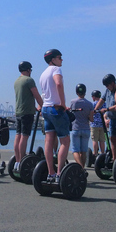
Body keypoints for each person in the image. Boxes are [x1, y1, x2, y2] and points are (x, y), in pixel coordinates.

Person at [39, 48, 69, 182]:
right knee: (65, 141)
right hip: (56, 109)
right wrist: (63, 103)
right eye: (59, 57)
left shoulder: (42, 74)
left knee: (49, 141)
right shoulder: (56, 70)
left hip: (45, 109)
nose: (62, 59)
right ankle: (59, 173)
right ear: (53, 60)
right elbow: (58, 83)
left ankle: (50, 173)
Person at [13, 61, 44, 171]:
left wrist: (35, 108)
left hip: (18, 112)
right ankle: (22, 161)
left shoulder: (17, 81)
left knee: (18, 135)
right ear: (28, 70)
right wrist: (43, 106)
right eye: (30, 70)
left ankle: (17, 162)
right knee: (25, 136)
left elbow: (24, 98)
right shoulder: (29, 80)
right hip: (27, 113)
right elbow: (37, 96)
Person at [95, 74, 116, 159]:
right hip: (112, 119)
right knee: (112, 138)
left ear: (112, 83)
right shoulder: (107, 91)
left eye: (107, 85)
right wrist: (95, 109)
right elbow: (102, 100)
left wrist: (107, 109)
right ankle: (115, 158)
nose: (107, 87)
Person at [69, 83, 93, 169]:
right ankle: (82, 169)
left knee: (75, 151)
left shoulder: (73, 102)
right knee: (83, 151)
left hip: (76, 128)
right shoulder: (90, 104)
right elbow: (91, 119)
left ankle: (81, 169)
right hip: (86, 129)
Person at [90, 89, 106, 157]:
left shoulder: (93, 104)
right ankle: (103, 154)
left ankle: (95, 154)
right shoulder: (104, 104)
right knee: (102, 140)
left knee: (95, 140)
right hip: (102, 124)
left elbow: (90, 113)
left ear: (93, 97)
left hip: (94, 124)